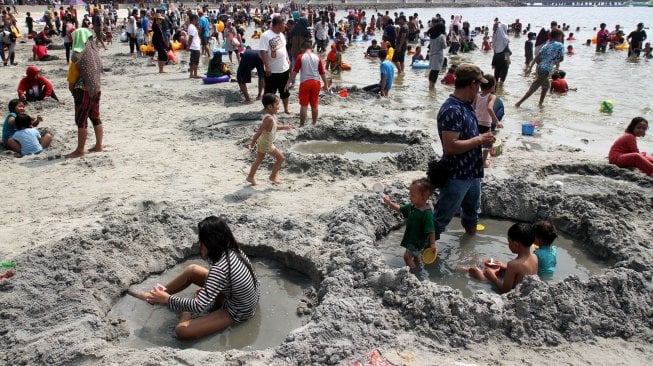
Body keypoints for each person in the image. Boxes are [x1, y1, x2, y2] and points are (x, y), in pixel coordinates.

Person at [130, 216, 260, 340]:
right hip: (242, 298)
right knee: (192, 270)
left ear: (210, 243)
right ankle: (155, 296)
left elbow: (198, 306)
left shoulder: (220, 269)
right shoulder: (233, 250)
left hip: (237, 312)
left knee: (182, 331)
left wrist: (168, 300)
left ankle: (182, 310)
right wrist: (211, 291)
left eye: (201, 241)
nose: (199, 244)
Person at [432, 64, 495, 247]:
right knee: (441, 217)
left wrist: (483, 140)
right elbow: (450, 146)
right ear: (472, 84)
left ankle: (469, 248)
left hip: (472, 172)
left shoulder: (466, 106)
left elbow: (470, 137)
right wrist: (480, 139)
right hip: (457, 174)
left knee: (471, 214)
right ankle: (416, 253)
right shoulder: (453, 109)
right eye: (479, 85)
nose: (480, 90)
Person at [466, 223, 538, 294]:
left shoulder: (513, 265)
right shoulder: (534, 257)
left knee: (474, 270)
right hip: (517, 287)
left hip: (505, 291)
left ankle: (458, 268)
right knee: (491, 265)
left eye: (509, 242)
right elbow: (521, 273)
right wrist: (506, 267)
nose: (508, 244)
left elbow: (505, 290)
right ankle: (475, 264)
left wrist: (493, 278)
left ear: (516, 244)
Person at [382, 178, 437, 270]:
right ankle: (418, 265)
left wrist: (432, 244)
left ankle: (413, 272)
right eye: (409, 194)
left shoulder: (426, 213)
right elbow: (399, 208)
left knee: (407, 257)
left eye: (413, 195)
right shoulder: (412, 207)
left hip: (417, 241)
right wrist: (389, 202)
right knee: (415, 255)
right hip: (413, 239)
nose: (410, 197)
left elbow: (431, 230)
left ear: (423, 198)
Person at [65, 27, 103, 158]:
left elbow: (72, 76)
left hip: (82, 90)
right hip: (96, 89)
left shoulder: (77, 54)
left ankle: (80, 150)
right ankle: (99, 145)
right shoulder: (95, 52)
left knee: (81, 120)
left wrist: (71, 89)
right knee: (95, 117)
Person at [246, 94, 295, 185]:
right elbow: (259, 130)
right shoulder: (268, 118)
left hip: (264, 141)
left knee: (259, 159)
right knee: (280, 158)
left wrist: (284, 127)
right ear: (269, 106)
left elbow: (274, 127)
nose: (279, 106)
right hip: (266, 143)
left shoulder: (272, 116)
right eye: (277, 104)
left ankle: (250, 177)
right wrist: (252, 142)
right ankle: (272, 176)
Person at [515, 29, 565, 107]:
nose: (562, 38)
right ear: (559, 36)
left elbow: (537, 57)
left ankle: (540, 104)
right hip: (546, 69)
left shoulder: (546, 44)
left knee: (546, 86)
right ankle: (519, 103)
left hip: (539, 67)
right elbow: (561, 58)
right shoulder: (560, 45)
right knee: (534, 87)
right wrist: (553, 62)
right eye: (561, 37)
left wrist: (530, 68)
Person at [285, 41, 329, 127]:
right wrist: (326, 84)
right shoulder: (317, 57)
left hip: (305, 83)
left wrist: (288, 82)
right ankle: (314, 123)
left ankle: (302, 125)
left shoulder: (301, 57)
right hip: (316, 82)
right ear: (311, 49)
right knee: (314, 104)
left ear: (302, 49)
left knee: (304, 105)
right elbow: (322, 72)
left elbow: (295, 72)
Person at [259, 16, 291, 114]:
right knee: (269, 92)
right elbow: (263, 51)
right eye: (283, 24)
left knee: (285, 91)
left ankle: (286, 109)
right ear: (277, 25)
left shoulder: (281, 34)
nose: (285, 26)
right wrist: (267, 66)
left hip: (284, 69)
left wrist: (287, 57)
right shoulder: (266, 35)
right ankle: (267, 109)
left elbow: (284, 47)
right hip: (272, 70)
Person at [474, 74, 501, 168]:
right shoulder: (492, 96)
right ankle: (483, 162)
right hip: (486, 124)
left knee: (476, 141)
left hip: (476, 122)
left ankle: (474, 158)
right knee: (487, 144)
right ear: (493, 86)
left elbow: (473, 108)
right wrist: (497, 121)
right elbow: (489, 108)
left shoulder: (477, 95)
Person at [427, 22, 447, 90]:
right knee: (436, 72)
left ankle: (430, 85)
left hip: (432, 55)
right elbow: (444, 46)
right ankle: (432, 87)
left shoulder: (432, 35)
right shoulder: (441, 36)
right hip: (438, 56)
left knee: (432, 71)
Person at [491, 22, 511, 87]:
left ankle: (495, 90)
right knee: (503, 76)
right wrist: (508, 59)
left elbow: (494, 51)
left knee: (496, 75)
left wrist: (493, 63)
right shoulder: (505, 38)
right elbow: (506, 50)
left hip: (496, 59)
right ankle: (500, 90)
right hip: (504, 59)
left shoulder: (495, 38)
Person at [186, 14, 201, 79]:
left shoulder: (192, 26)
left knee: (192, 61)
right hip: (195, 46)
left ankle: (192, 74)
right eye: (197, 19)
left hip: (194, 46)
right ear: (194, 19)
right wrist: (188, 46)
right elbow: (191, 37)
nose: (198, 21)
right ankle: (195, 74)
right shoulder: (192, 27)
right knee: (195, 61)